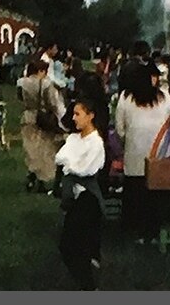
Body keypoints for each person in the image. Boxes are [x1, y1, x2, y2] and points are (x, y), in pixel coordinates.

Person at [114, 63, 170, 243]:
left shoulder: (125, 98)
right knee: (156, 194)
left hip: (134, 153)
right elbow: (169, 123)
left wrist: (126, 142)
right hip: (159, 154)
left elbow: (119, 127)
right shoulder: (164, 98)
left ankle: (136, 229)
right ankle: (155, 230)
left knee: (136, 193)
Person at [56, 100, 106, 291]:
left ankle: (89, 286)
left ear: (90, 115)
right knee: (72, 245)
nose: (74, 118)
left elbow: (86, 169)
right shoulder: (74, 139)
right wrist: (71, 163)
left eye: (78, 114)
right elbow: (60, 157)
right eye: (74, 114)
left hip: (88, 199)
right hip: (75, 197)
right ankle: (88, 279)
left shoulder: (96, 143)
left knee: (71, 245)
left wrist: (71, 164)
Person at [17, 59, 67, 193]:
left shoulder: (22, 83)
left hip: (28, 117)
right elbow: (52, 103)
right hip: (43, 118)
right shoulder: (45, 84)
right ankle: (41, 181)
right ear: (40, 71)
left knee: (31, 150)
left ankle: (31, 175)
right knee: (44, 150)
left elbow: (20, 98)